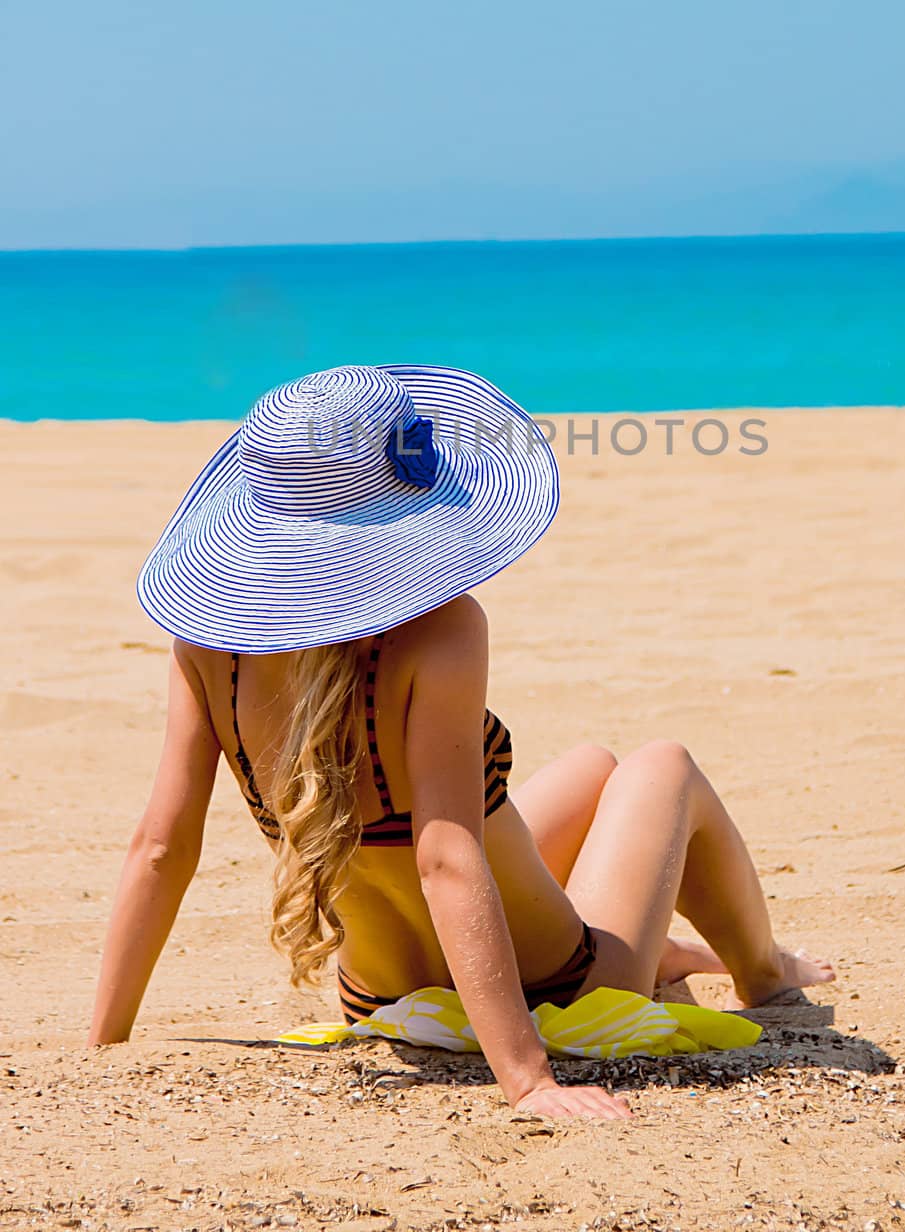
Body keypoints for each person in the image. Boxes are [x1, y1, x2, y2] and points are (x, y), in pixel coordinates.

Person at [89, 365, 834, 1120]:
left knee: (591, 767)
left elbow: (159, 847)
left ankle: (669, 948)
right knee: (660, 765)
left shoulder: (212, 644)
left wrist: (105, 1044)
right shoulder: (438, 633)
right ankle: (763, 973)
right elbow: (443, 856)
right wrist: (527, 1079)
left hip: (375, 998)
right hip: (552, 987)